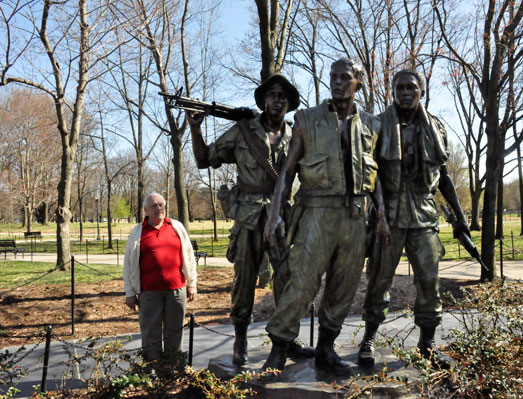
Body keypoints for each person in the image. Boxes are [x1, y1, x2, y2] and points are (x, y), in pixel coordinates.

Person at [262, 58, 389, 377]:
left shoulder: (373, 125)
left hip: (356, 214)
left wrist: (384, 216)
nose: (336, 82)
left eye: (344, 77)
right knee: (302, 280)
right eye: (333, 76)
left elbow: (379, 177)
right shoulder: (307, 119)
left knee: (343, 286)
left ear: (358, 81)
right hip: (317, 210)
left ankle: (326, 347)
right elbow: (288, 170)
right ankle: (279, 348)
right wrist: (276, 213)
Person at [187, 74, 314, 366]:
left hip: (281, 216)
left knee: (286, 279)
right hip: (247, 216)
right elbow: (205, 159)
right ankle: (241, 339)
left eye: (283, 96)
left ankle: (286, 339)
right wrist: (195, 130)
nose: (277, 100)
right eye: (272, 94)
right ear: (264, 99)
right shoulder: (243, 131)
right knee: (244, 280)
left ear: (290, 103)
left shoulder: (296, 135)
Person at [357, 69, 469, 369]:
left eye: (411, 87)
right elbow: (372, 174)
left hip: (424, 213)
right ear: (392, 91)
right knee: (379, 280)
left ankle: (427, 344)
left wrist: (461, 217)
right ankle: (368, 338)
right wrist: (379, 213)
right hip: (389, 213)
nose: (405, 92)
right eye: (400, 88)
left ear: (422, 91)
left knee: (429, 281)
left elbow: (444, 176)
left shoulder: (436, 127)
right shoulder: (378, 125)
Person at [123, 192, 197, 362]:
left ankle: (173, 371)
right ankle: (152, 373)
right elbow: (128, 264)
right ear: (146, 210)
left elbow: (189, 256)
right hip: (148, 292)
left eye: (161, 205)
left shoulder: (176, 227)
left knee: (175, 333)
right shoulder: (138, 232)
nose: (159, 208)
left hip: (176, 291)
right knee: (150, 335)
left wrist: (192, 283)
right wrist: (129, 292)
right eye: (154, 206)